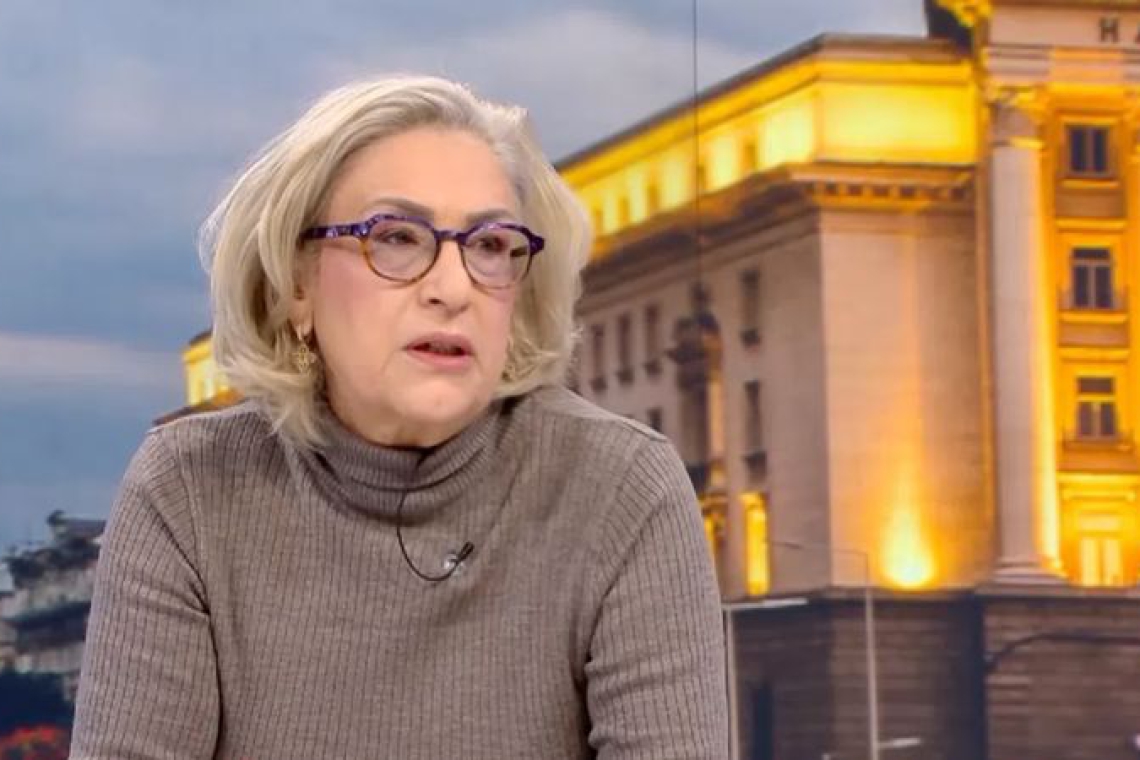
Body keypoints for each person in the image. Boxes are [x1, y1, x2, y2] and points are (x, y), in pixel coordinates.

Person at [70, 75, 728, 759]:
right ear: (296, 284)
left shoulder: (623, 489)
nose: (453, 288)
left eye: (489, 245)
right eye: (396, 238)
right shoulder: (187, 490)